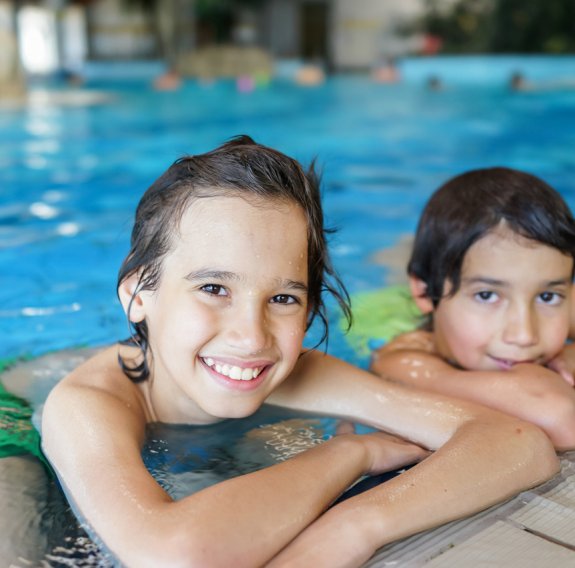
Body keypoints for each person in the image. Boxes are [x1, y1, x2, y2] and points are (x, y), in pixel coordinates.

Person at [41, 140, 558, 567]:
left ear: (310, 311)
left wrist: (356, 525)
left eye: (283, 299)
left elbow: (518, 444)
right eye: (214, 288)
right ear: (137, 295)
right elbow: (174, 556)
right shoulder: (86, 406)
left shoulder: (294, 373)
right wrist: (352, 453)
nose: (252, 336)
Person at [370, 166, 575, 452]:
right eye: (487, 295)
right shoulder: (401, 362)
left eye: (548, 296)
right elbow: (559, 417)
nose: (524, 335)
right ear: (425, 292)